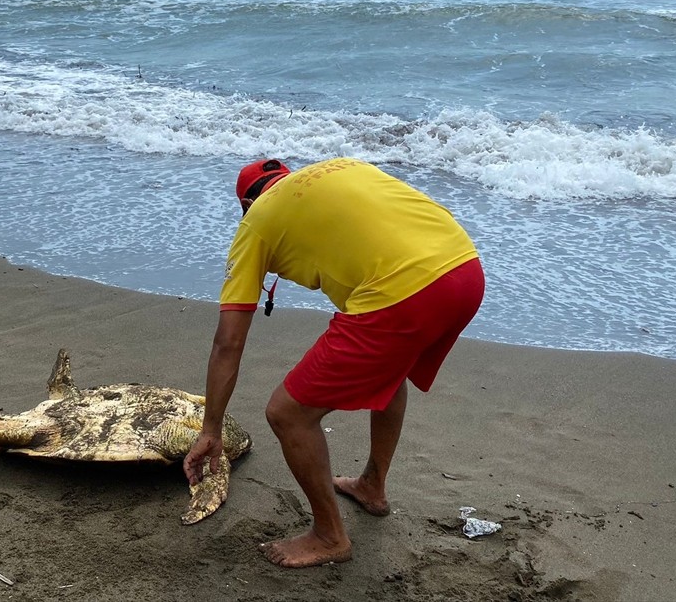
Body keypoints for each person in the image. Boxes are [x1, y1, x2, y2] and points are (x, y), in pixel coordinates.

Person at [183, 157, 484, 568]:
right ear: (287, 179)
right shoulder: (341, 168)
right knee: (390, 372)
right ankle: (372, 487)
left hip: (407, 290)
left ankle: (329, 535)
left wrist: (211, 427)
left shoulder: (256, 222)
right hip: (465, 269)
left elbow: (228, 343)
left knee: (288, 413)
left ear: (246, 205)